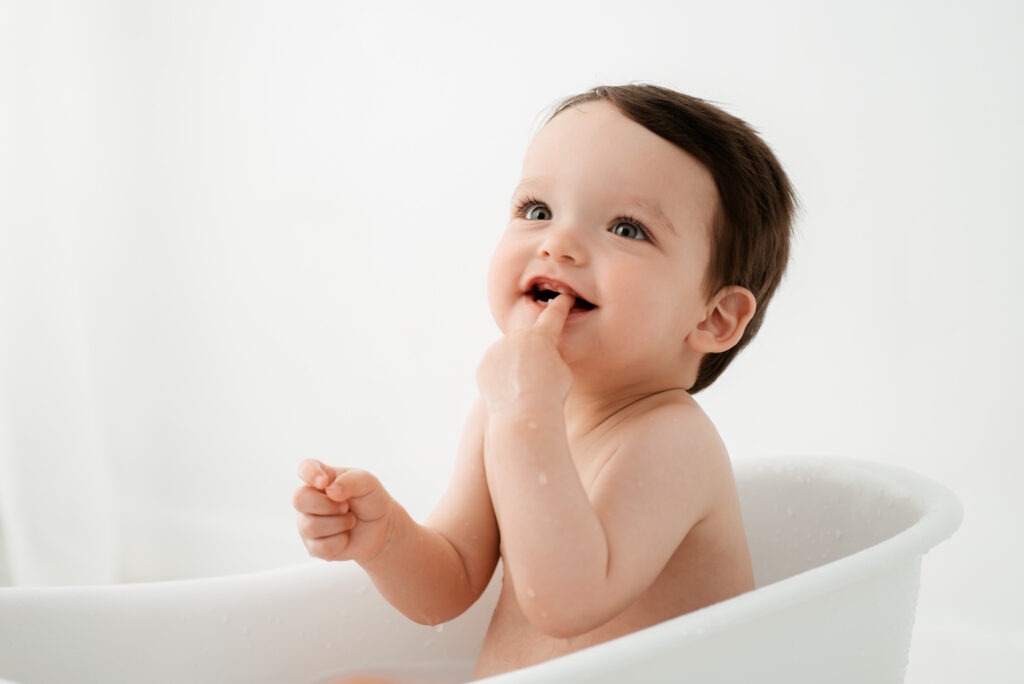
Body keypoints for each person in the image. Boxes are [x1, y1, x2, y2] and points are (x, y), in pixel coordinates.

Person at [293, 84, 795, 680]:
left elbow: (565, 603)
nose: (558, 244)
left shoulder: (672, 441)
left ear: (713, 318)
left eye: (627, 228)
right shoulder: (504, 412)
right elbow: (450, 585)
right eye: (537, 211)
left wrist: (523, 413)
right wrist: (387, 540)